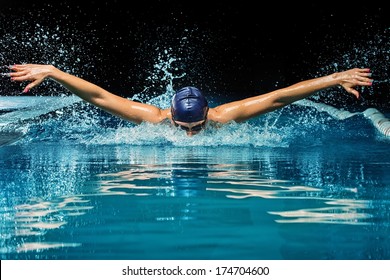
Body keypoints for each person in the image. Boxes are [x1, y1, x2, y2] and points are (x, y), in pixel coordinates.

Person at [6, 64, 373, 136]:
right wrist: (53, 71)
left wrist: (334, 78)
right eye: (182, 128)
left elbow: (279, 97)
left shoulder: (226, 117)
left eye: (196, 127)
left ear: (208, 113)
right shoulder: (153, 118)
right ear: (169, 114)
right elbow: (100, 96)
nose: (190, 136)